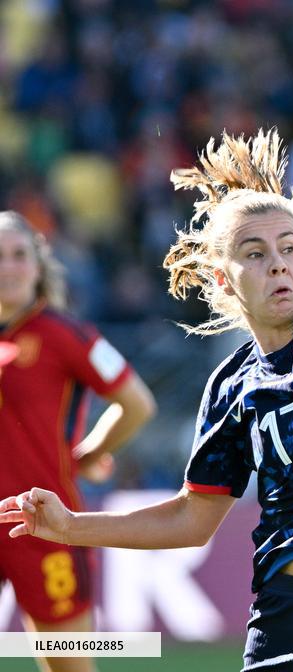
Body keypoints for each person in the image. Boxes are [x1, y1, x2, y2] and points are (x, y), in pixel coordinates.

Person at [1, 129, 293, 672]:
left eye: (289, 248)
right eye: (256, 253)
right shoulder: (233, 383)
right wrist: (69, 526)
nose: (278, 264)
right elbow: (191, 518)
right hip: (279, 615)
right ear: (224, 281)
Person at [0, 211, 157, 672]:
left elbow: (137, 404)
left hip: (43, 525)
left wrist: (91, 452)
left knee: (66, 664)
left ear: (38, 264)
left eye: (18, 255)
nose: (8, 266)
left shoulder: (66, 335)